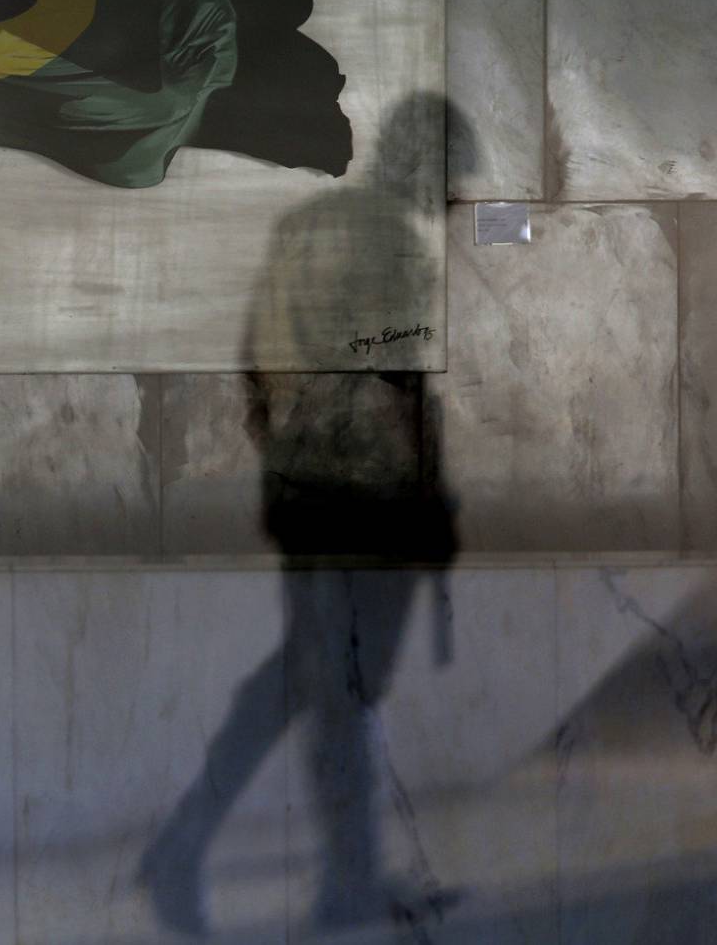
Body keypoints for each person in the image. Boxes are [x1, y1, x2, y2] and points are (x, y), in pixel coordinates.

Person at [139, 93, 472, 936]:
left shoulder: (306, 224)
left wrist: (283, 456)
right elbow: (402, 383)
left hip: (305, 494)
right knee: (341, 690)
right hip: (369, 503)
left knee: (307, 679)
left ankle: (212, 847)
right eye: (450, 174)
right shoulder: (392, 245)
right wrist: (432, 502)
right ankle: (334, 879)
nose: (457, 195)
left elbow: (252, 358)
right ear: (418, 163)